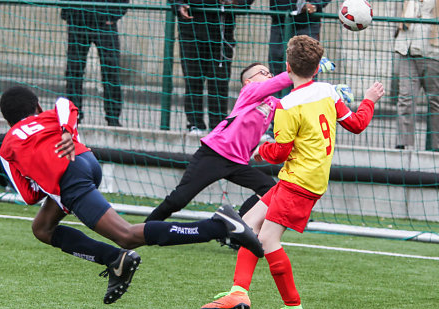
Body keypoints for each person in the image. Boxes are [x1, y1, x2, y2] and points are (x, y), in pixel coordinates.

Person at [0, 86, 264, 305]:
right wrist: (67, 130)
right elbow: (65, 102)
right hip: (88, 162)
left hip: (70, 180)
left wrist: (39, 173)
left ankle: (219, 227)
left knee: (126, 235)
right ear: (36, 108)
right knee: (42, 228)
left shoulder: (8, 144)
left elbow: (29, 196)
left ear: (7, 121)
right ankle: (115, 259)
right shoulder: (49, 116)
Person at [200, 35, 384, 309]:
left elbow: (280, 153)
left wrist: (260, 150)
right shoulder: (329, 92)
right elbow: (357, 124)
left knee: (267, 238)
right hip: (301, 177)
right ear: (316, 68)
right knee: (247, 223)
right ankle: (238, 292)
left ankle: (294, 308)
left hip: (300, 181)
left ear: (287, 66)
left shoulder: (286, 106)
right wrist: (369, 100)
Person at [145, 57, 341, 223]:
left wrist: (330, 94)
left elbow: (300, 104)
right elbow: (279, 83)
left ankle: (235, 227)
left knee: (269, 190)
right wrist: (304, 68)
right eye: (263, 73)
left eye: (269, 73)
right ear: (249, 81)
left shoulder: (273, 103)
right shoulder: (249, 92)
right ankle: (145, 229)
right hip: (214, 154)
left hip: (238, 163)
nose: (270, 76)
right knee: (179, 200)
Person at [166, 0, 255, 134]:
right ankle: (195, 123)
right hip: (191, 33)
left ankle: (218, 125)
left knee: (219, 82)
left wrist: (235, 3)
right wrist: (179, 5)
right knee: (193, 80)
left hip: (221, 36)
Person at [59, 0, 129, 126]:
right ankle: (74, 115)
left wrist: (113, 16)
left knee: (111, 70)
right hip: (78, 21)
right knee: (74, 70)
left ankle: (113, 117)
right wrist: (68, 12)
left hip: (105, 23)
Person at [394, 0, 439, 151]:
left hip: (433, 51)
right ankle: (403, 145)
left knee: (435, 102)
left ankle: (436, 148)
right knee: (406, 97)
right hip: (407, 47)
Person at [268, 0, 333, 77]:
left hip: (307, 22)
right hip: (279, 20)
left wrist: (314, 4)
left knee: (306, 66)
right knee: (277, 64)